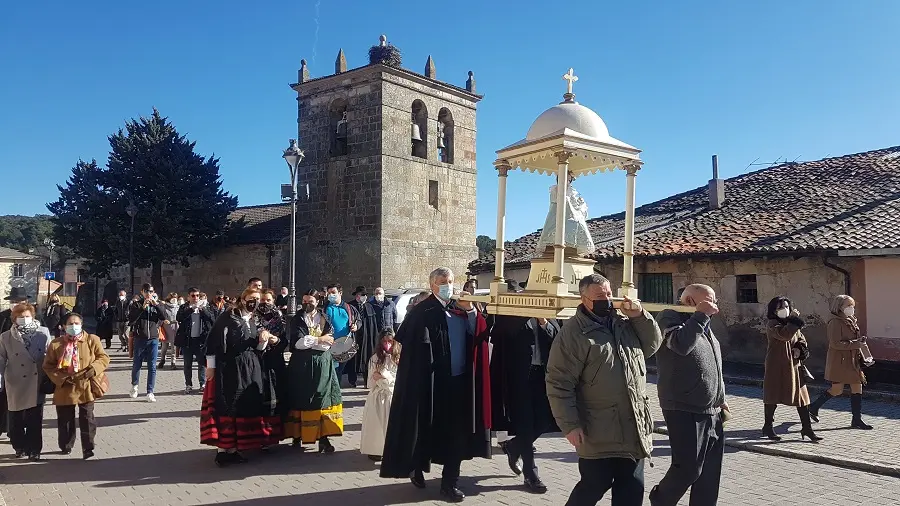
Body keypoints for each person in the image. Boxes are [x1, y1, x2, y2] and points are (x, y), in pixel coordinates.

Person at [545, 274, 661, 506]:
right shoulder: (573, 334)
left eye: (608, 294)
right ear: (584, 298)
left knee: (632, 490)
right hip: (597, 429)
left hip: (632, 427)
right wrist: (569, 425)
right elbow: (559, 382)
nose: (607, 300)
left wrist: (639, 316)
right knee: (593, 486)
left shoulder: (624, 323)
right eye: (600, 296)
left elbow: (651, 345)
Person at [380, 267, 492, 503]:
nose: (448, 285)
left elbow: (478, 332)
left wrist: (471, 310)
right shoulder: (422, 311)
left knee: (456, 436)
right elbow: (407, 346)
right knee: (425, 431)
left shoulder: (460, 308)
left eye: (450, 281)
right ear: (432, 285)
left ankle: (449, 483)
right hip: (431, 386)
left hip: (459, 383)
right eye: (443, 282)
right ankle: (417, 468)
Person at [651, 284, 728, 506]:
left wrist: (721, 398)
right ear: (690, 302)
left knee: (709, 474)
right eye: (709, 301)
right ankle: (661, 499)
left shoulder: (703, 324)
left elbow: (713, 364)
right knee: (688, 469)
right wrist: (700, 316)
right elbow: (681, 345)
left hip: (712, 409)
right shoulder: (669, 318)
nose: (714, 306)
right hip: (683, 406)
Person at [201, 288, 277, 466]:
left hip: (249, 367)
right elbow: (212, 342)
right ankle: (223, 450)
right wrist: (210, 367)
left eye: (258, 299)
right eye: (251, 299)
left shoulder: (254, 320)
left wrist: (264, 340)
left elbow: (257, 348)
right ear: (243, 299)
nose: (255, 302)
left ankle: (234, 448)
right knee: (228, 404)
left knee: (242, 405)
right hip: (229, 366)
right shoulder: (228, 318)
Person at [491, 315, 560, 494]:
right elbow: (502, 334)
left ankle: (515, 446)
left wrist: (544, 323)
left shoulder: (547, 311)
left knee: (545, 420)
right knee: (526, 426)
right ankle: (531, 475)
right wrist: (523, 318)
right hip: (520, 378)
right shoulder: (513, 311)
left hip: (543, 377)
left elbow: (557, 338)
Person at [42, 312, 110, 459]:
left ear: (82, 324)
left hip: (86, 385)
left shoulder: (92, 340)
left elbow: (103, 358)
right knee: (65, 419)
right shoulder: (56, 344)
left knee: (87, 418)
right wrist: (60, 378)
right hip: (65, 386)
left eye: (76, 323)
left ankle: (88, 448)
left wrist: (94, 369)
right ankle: (66, 445)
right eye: (70, 324)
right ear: (64, 326)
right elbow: (48, 366)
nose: (74, 326)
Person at [284, 289, 342, 453]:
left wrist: (316, 341)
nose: (306, 304)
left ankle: (323, 438)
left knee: (322, 398)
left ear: (317, 302)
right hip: (301, 364)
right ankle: (297, 434)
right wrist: (318, 340)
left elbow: (328, 341)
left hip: (322, 363)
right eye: (304, 301)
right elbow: (298, 343)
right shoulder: (297, 319)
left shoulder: (324, 317)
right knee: (300, 396)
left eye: (310, 301)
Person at [808, 295, 874, 430]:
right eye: (848, 306)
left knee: (857, 387)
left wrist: (861, 346)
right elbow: (835, 343)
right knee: (837, 390)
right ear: (839, 307)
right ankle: (813, 407)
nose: (851, 309)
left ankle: (856, 420)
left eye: (853, 306)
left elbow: (853, 340)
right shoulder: (835, 322)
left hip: (852, 360)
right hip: (840, 361)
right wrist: (855, 344)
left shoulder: (850, 320)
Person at [762, 296, 821, 442]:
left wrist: (800, 348)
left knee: (802, 398)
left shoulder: (792, 325)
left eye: (787, 307)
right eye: (781, 308)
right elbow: (785, 335)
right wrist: (794, 321)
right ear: (774, 310)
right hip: (776, 365)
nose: (785, 310)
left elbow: (801, 339)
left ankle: (807, 428)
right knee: (772, 395)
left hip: (794, 365)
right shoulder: (772, 324)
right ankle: (768, 426)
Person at [0, 303, 52, 460]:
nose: (24, 319)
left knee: (35, 418)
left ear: (33, 317)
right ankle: (19, 446)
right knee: (15, 418)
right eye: (20, 317)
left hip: (36, 380)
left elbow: (50, 354)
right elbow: (1, 359)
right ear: (14, 319)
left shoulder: (43, 333)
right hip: (15, 381)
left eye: (27, 316)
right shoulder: (5, 337)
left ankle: (34, 449)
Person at [360, 330, 401, 461]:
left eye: (390, 341)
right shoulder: (375, 359)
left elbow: (399, 379)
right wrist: (383, 379)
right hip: (378, 396)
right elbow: (372, 381)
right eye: (385, 341)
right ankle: (375, 450)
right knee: (376, 424)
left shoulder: (400, 358)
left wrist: (384, 377)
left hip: (394, 395)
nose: (387, 344)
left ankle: (394, 450)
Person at [257, 288, 287, 449]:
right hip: (258, 362)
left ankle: (272, 435)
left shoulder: (279, 318)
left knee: (275, 399)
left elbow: (285, 342)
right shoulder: (253, 317)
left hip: (275, 363)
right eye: (262, 300)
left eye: (268, 300)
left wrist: (275, 340)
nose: (265, 303)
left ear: (273, 301)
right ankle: (259, 436)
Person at [128, 283, 163, 402]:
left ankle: (150, 391)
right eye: (147, 291)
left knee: (152, 366)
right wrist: (142, 307)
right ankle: (135, 385)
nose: (149, 293)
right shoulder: (136, 304)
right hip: (140, 338)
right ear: (142, 292)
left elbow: (163, 317)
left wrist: (156, 306)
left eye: (151, 291)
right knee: (137, 364)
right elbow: (132, 319)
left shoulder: (156, 304)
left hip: (153, 339)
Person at [175, 288, 215, 394]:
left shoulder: (205, 306)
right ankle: (188, 384)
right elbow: (179, 318)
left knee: (201, 363)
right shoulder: (184, 307)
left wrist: (203, 310)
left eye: (197, 295)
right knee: (187, 364)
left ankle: (202, 384)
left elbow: (212, 319)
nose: (196, 298)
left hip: (200, 340)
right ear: (188, 297)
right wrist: (191, 309)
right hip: (187, 340)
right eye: (193, 296)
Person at [324, 284, 359, 386]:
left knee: (338, 371)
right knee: (331, 371)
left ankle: (336, 393)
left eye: (333, 293)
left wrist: (356, 326)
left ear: (340, 293)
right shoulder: (325, 308)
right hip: (329, 345)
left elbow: (358, 320)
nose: (331, 295)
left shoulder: (349, 308)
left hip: (345, 345)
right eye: (329, 293)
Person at [350, 286, 378, 387]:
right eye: (362, 295)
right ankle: (352, 380)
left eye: (365, 295)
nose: (364, 297)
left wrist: (375, 339)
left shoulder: (369, 306)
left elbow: (373, 324)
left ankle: (367, 380)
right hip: (355, 336)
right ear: (357, 296)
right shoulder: (350, 306)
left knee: (367, 359)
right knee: (353, 358)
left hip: (367, 337)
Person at [157, 292, 180, 371]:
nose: (174, 299)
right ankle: (162, 360)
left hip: (175, 327)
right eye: (172, 297)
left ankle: (173, 363)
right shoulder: (164, 306)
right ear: (169, 298)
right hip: (166, 327)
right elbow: (160, 316)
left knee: (174, 347)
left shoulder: (178, 307)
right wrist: (163, 321)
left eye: (175, 297)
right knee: (164, 346)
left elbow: (181, 316)